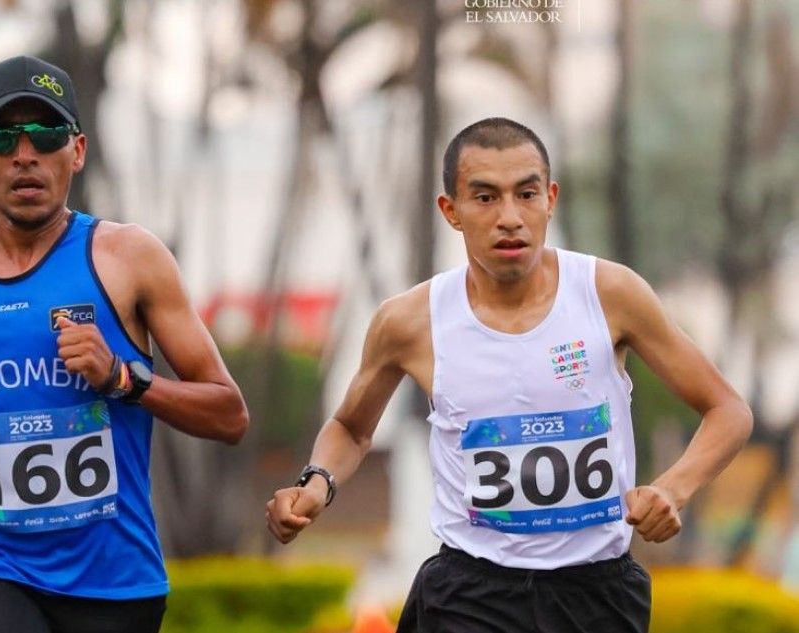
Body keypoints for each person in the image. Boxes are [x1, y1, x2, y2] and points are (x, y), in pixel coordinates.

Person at [266, 117, 753, 633]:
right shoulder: (409, 321)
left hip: (596, 597)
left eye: (526, 194)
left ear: (551, 199)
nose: (510, 218)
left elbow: (728, 410)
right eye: (485, 197)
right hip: (469, 595)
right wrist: (317, 483)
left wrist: (673, 488)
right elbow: (351, 427)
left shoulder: (609, 294)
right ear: (450, 211)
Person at [0, 55, 249, 633]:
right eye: (3, 136)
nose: (25, 152)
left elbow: (229, 414)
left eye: (47, 133)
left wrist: (123, 378)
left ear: (77, 151)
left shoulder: (128, 259)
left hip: (113, 575)